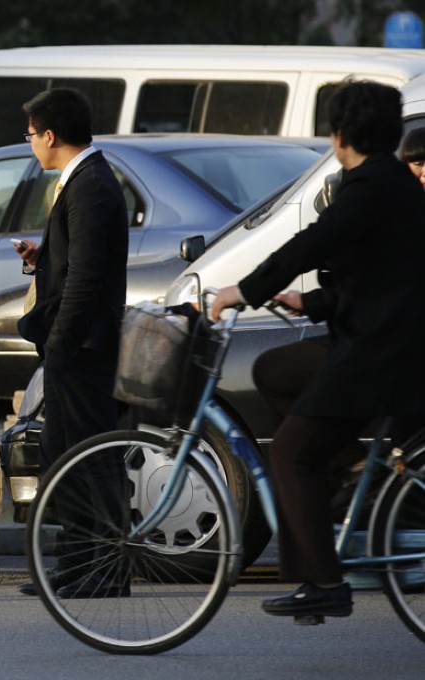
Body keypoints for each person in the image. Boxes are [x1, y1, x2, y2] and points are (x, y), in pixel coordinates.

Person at [211, 80, 425, 620]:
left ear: (337, 135)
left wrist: (246, 289)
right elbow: (375, 278)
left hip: (382, 354)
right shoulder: (387, 183)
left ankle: (325, 582)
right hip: (377, 338)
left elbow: (311, 243)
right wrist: (307, 302)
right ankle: (351, 467)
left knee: (288, 453)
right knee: (275, 370)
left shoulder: (372, 185)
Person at [13, 88, 129, 598]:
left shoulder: (90, 185)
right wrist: (46, 257)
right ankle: (78, 564)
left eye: (32, 135)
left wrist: (60, 345)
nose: (31, 143)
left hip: (83, 349)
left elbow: (86, 277)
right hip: (74, 346)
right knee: (65, 454)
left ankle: (104, 568)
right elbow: (77, 260)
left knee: (88, 457)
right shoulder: (83, 180)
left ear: (50, 135)